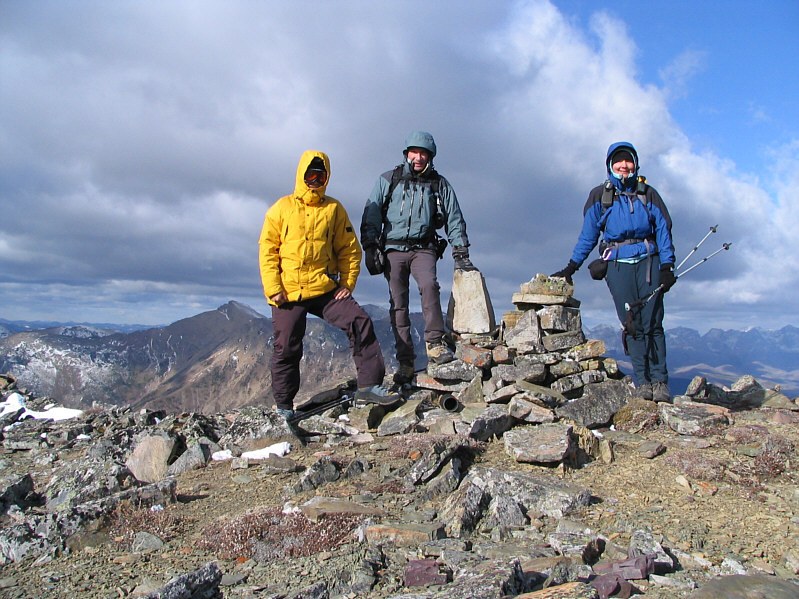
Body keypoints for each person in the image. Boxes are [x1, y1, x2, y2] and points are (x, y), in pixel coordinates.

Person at [258, 150, 400, 420]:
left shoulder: (334, 209)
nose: (314, 181)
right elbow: (267, 249)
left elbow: (349, 248)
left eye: (320, 176)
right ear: (301, 176)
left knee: (359, 321)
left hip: (324, 287)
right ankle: (284, 407)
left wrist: (347, 282)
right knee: (287, 345)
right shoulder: (282, 208)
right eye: (309, 175)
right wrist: (273, 287)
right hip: (287, 291)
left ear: (326, 178)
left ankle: (369, 385)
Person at [551, 142, 676, 403]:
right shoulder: (600, 196)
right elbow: (588, 234)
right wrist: (571, 267)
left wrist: (667, 265)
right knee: (632, 324)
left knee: (653, 323)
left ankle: (660, 382)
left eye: (628, 161)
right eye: (618, 162)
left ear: (635, 164)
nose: (624, 166)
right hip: (617, 264)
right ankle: (643, 382)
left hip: (649, 262)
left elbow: (664, 230)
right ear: (609, 165)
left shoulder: (648, 193)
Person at [360, 130, 474, 385]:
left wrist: (461, 251)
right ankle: (406, 361)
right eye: (415, 152)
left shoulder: (439, 184)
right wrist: (370, 245)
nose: (418, 157)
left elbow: (454, 217)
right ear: (406, 154)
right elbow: (372, 213)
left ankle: (434, 344)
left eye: (424, 153)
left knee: (429, 287)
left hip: (424, 248)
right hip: (393, 249)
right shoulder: (389, 179)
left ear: (430, 157)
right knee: (398, 302)